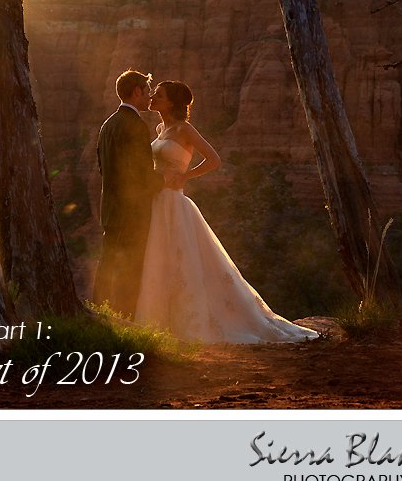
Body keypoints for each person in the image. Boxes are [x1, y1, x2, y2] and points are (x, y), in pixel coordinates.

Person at [136, 80, 318, 343]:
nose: (152, 96)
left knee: (182, 260)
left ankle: (192, 321)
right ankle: (161, 321)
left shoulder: (185, 129)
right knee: (160, 258)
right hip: (157, 202)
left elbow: (214, 159)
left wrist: (186, 176)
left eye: (159, 95)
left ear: (172, 102)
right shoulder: (159, 128)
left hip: (175, 202)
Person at [94, 69, 166, 317]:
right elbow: (141, 173)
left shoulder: (108, 124)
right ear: (137, 92)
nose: (149, 98)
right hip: (132, 212)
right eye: (147, 92)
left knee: (108, 264)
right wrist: (165, 181)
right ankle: (127, 319)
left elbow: (104, 167)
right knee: (131, 268)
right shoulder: (135, 125)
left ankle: (99, 312)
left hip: (111, 210)